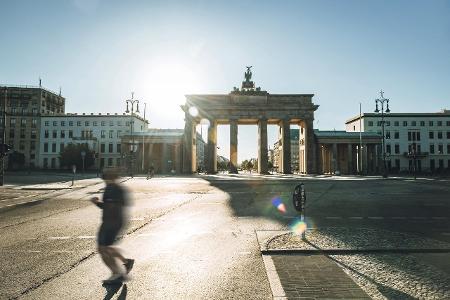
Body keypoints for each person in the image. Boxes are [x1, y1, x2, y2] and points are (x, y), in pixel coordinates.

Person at [90, 168, 134, 284]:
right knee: (105, 248)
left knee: (104, 249)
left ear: (110, 178)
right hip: (110, 222)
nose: (104, 180)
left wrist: (98, 203)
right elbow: (109, 206)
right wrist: (98, 203)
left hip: (113, 223)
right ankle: (125, 263)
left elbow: (112, 207)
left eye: (105, 178)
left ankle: (117, 273)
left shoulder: (116, 189)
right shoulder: (111, 189)